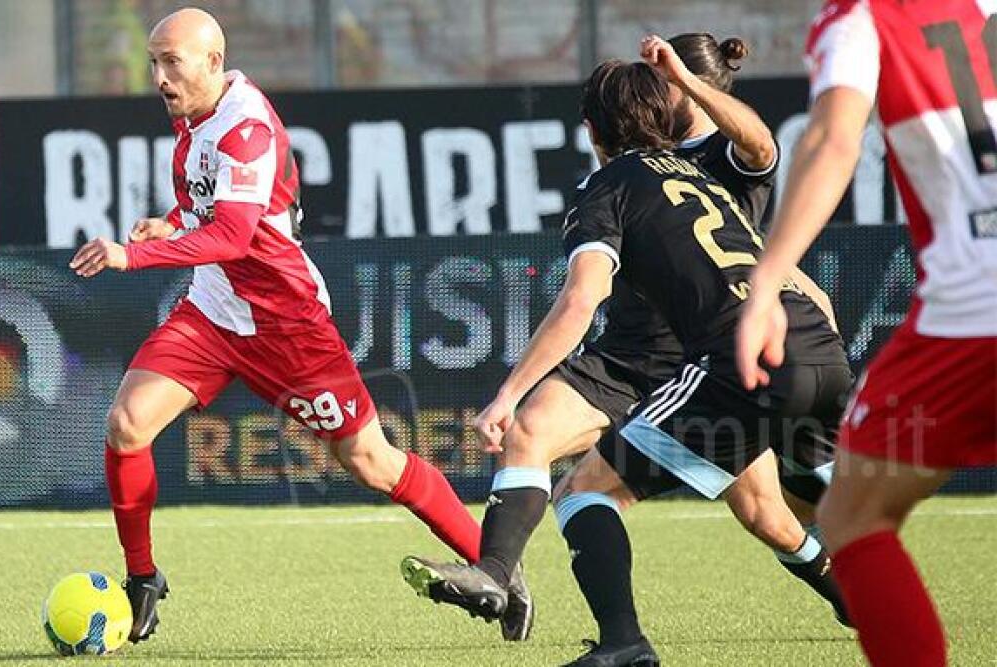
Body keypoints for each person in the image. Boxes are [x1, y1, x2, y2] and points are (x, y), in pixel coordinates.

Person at [67, 8, 516, 643]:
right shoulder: (194, 117)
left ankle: (499, 571)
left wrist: (130, 255)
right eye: (154, 63)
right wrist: (172, 223)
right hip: (215, 310)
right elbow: (209, 209)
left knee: (371, 461)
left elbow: (234, 234)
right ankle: (143, 579)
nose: (160, 77)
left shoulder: (246, 128)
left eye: (172, 62)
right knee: (127, 424)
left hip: (286, 325)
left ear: (214, 62)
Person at [400, 33, 848, 646]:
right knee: (532, 432)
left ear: (592, 128)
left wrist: (505, 390)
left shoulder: (697, 167)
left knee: (764, 512)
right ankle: (498, 572)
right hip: (637, 354)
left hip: (709, 357)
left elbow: (583, 296)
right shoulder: (688, 171)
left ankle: (843, 597)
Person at [737, 2, 997, 665]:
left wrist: (766, 282)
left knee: (852, 516)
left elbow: (832, 140)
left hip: (975, 306)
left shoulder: (863, 16)